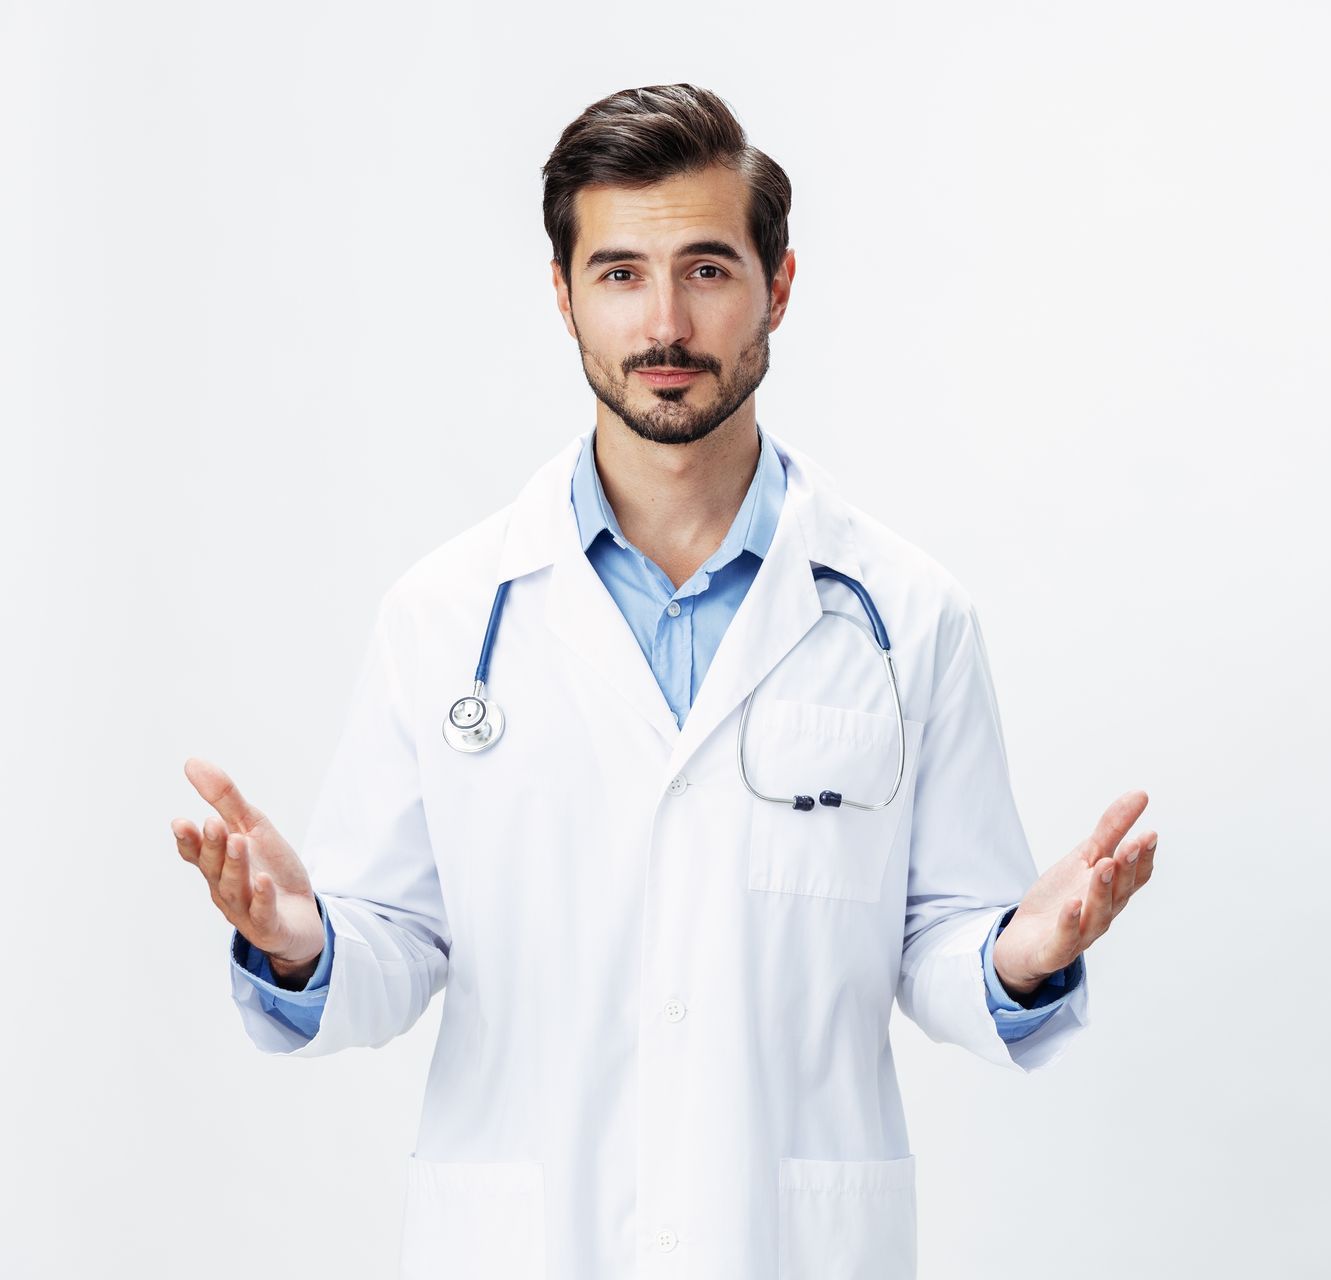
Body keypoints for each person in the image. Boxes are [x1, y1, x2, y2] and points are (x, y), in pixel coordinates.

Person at [170, 83, 1157, 1277]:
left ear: (777, 287)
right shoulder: (444, 615)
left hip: (790, 1246)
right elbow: (391, 946)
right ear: (564, 295)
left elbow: (944, 942)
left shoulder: (907, 615)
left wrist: (1017, 952)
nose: (665, 324)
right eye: (622, 274)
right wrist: (300, 943)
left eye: (707, 268)